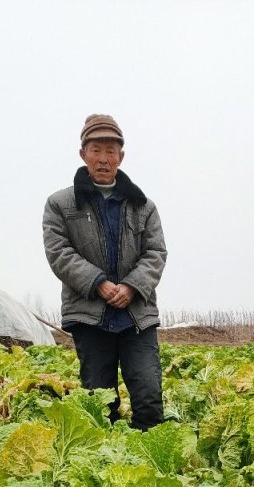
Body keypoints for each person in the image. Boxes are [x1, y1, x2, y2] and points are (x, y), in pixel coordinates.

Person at [42, 114, 167, 431]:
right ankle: (106, 469)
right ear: (83, 153)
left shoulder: (143, 205)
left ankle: (148, 467)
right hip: (91, 315)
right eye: (96, 150)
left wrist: (131, 287)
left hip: (136, 314)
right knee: (101, 403)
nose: (103, 158)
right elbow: (59, 253)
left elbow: (156, 253)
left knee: (149, 397)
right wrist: (98, 284)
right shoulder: (60, 204)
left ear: (121, 157)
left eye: (111, 151)